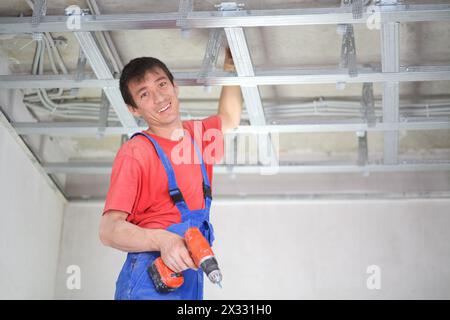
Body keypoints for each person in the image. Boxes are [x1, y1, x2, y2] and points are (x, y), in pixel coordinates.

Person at [99, 48, 242, 300]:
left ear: (174, 87)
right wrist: (163, 241)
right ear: (134, 109)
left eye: (162, 84)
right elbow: (109, 231)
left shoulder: (198, 136)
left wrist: (231, 68)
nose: (159, 97)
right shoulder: (136, 151)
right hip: (151, 278)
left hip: (189, 276)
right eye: (145, 94)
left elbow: (229, 118)